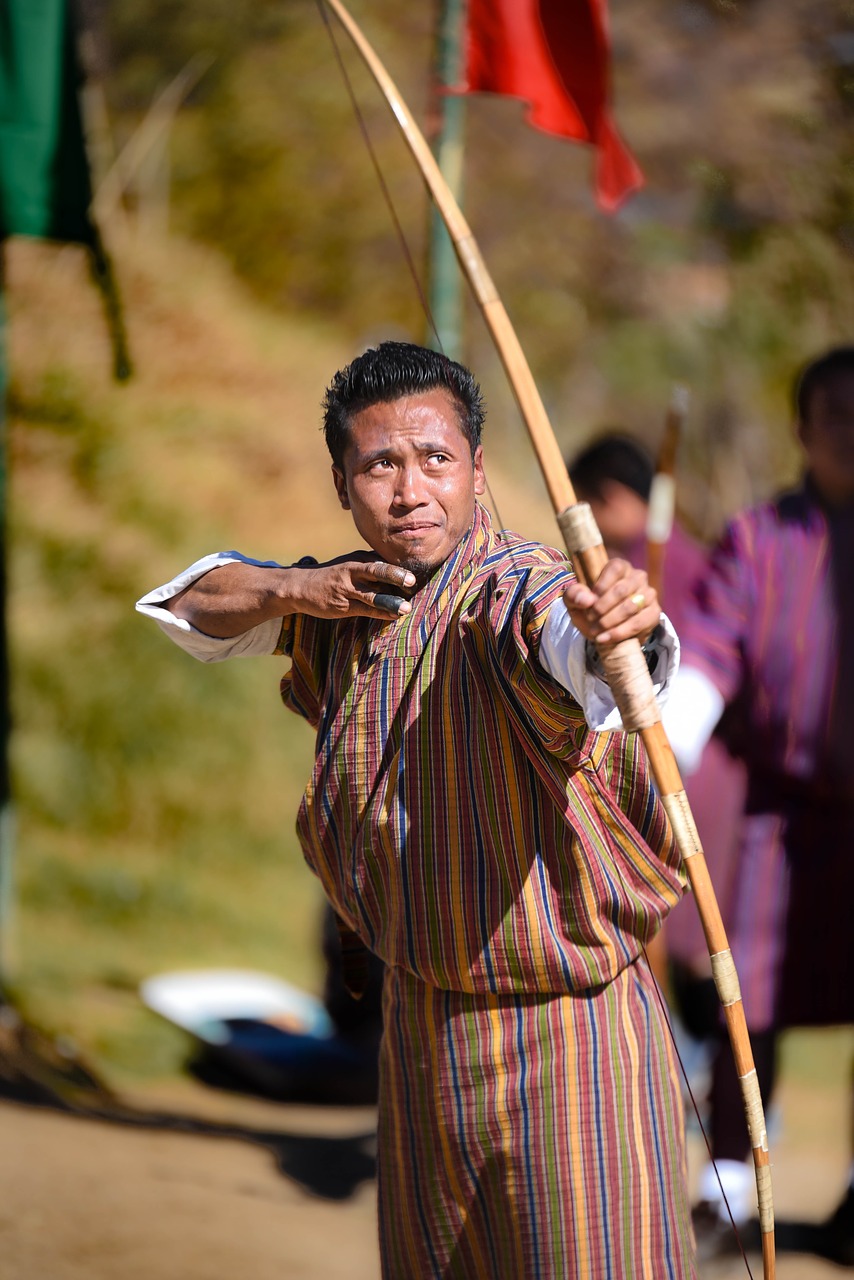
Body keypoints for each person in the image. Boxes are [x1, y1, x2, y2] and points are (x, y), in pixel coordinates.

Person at [137, 341, 697, 1278]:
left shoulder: (515, 590)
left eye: (436, 459)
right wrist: (297, 587)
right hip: (422, 1025)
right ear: (341, 482)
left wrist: (611, 627)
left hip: (572, 1035)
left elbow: (572, 637)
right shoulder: (341, 598)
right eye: (379, 464)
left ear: (479, 470)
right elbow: (189, 603)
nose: (410, 491)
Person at [664, 345, 854, 1263]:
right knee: (752, 1002)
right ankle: (734, 1185)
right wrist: (673, 730)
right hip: (781, 821)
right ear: (802, 429)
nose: (850, 431)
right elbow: (709, 645)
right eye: (835, 414)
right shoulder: (760, 538)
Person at [568, 433, 747, 1040]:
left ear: (612, 497)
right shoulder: (652, 561)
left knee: (685, 930)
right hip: (670, 768)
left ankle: (689, 1053)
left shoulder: (656, 565)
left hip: (684, 770)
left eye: (585, 504)